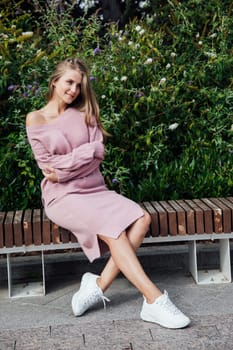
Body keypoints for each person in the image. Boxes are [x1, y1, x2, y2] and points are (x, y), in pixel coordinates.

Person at [26, 58, 190, 329]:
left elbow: (97, 155)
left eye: (78, 85)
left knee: (142, 219)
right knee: (113, 230)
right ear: (54, 81)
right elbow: (48, 168)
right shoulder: (35, 118)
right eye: (69, 82)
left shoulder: (85, 114)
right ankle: (154, 300)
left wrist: (71, 162)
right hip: (62, 197)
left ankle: (98, 285)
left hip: (94, 190)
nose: (74, 90)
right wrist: (81, 155)